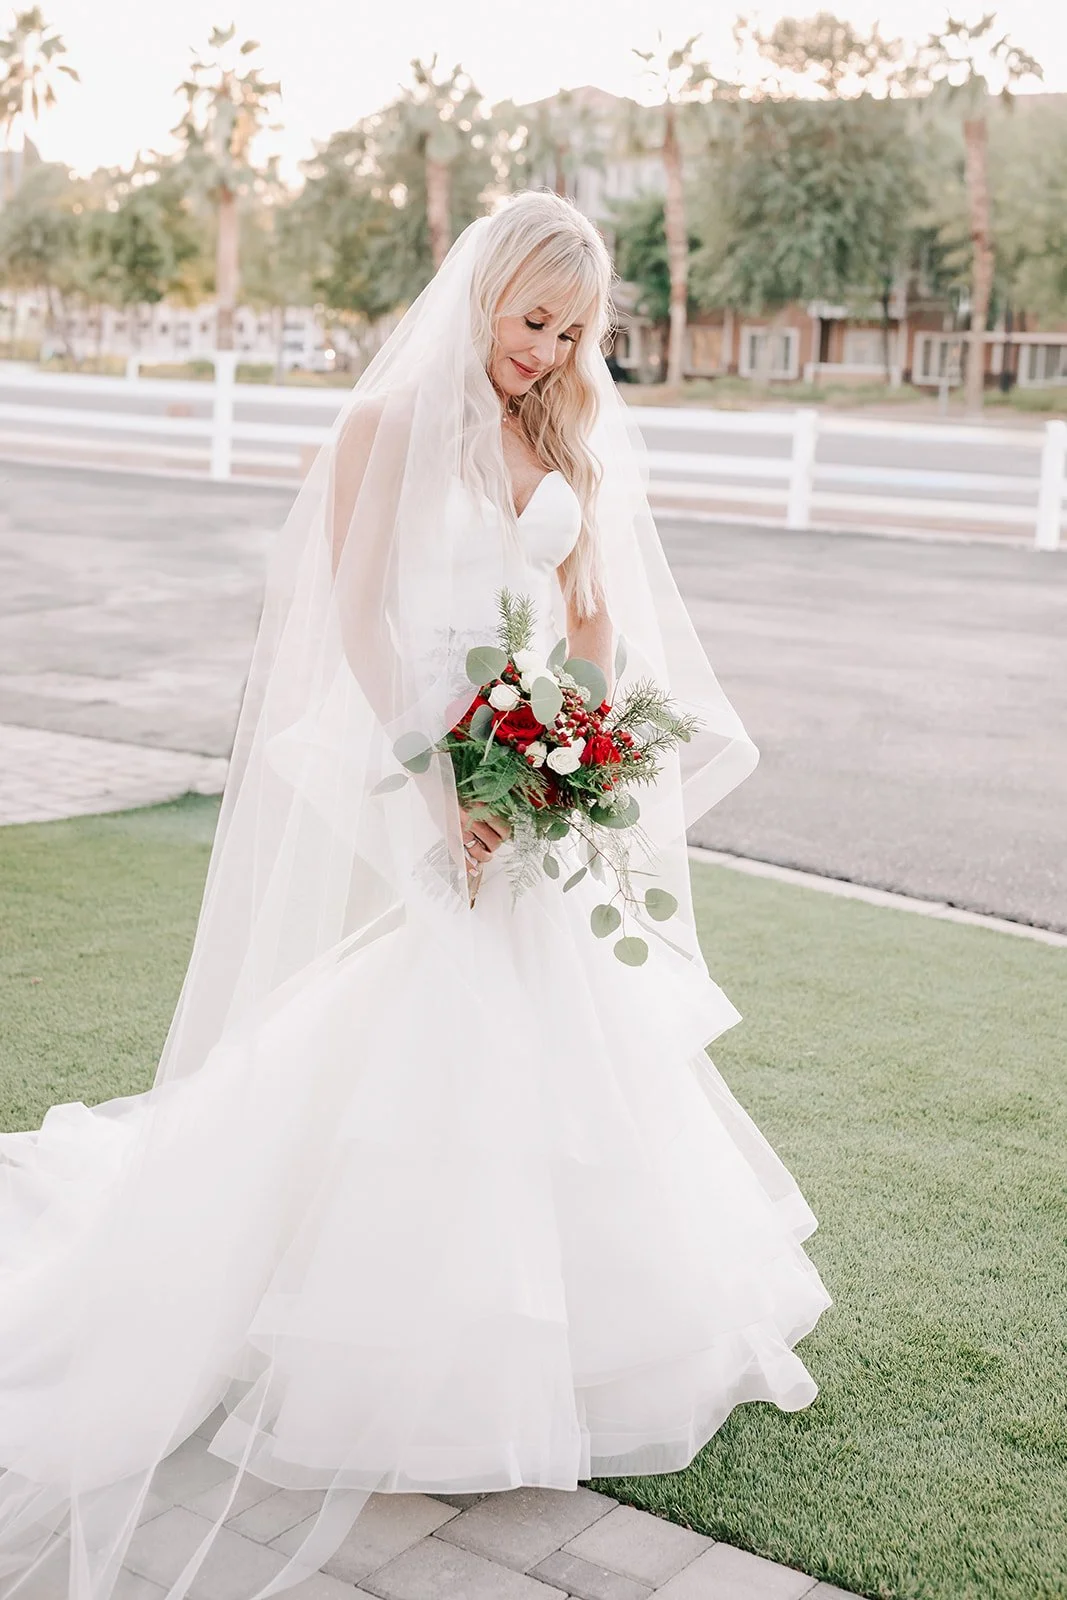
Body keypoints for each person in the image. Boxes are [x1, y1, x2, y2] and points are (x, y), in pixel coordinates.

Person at [0, 191, 832, 1600]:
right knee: (443, 1020)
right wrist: (443, 784)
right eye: (533, 321)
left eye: (574, 331)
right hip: (434, 765)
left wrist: (589, 734)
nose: (549, 349)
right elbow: (358, 622)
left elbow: (585, 608)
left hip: (541, 772)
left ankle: (575, 1345)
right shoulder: (380, 433)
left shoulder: (556, 431)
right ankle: (409, 1355)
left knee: (557, 1026)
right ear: (483, 293)